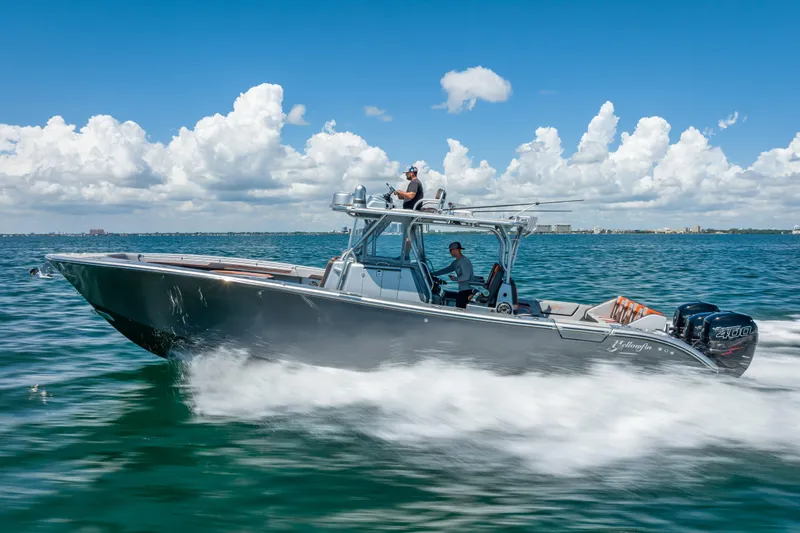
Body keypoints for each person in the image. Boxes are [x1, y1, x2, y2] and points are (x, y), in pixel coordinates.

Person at [432, 242, 474, 309]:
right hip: (462, 290)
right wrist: (433, 274)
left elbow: (466, 277)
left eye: (450, 250)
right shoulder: (457, 262)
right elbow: (446, 270)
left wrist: (455, 279)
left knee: (460, 309)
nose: (450, 252)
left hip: (466, 291)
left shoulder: (464, 261)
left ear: (455, 250)